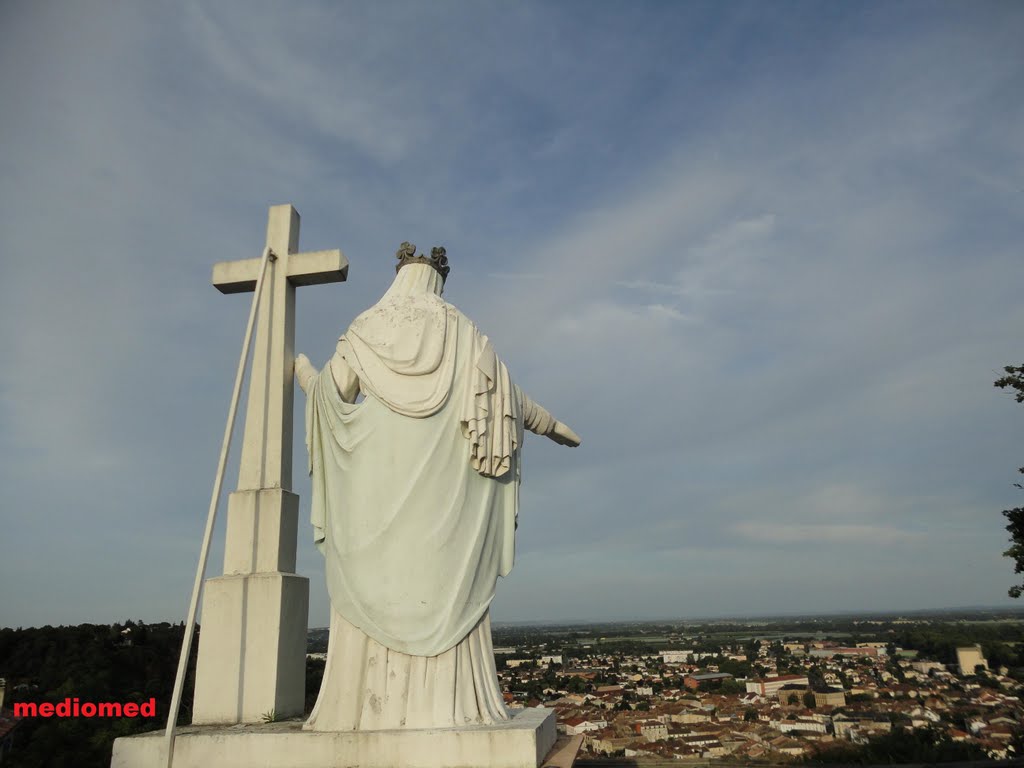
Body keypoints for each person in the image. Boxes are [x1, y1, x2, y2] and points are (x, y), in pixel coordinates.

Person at [294, 243, 579, 731]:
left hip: (377, 487)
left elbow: (333, 391)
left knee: (378, 580)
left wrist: (304, 375)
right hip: (444, 503)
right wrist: (553, 426)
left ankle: (366, 708)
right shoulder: (466, 333)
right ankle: (450, 705)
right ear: (438, 281)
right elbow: (509, 398)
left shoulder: (367, 328)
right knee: (442, 583)